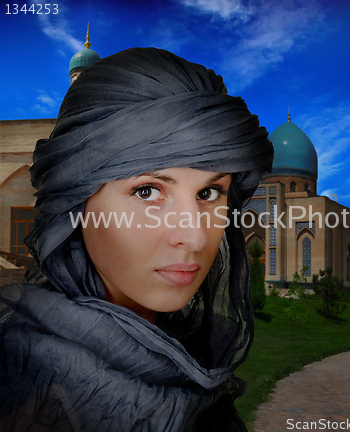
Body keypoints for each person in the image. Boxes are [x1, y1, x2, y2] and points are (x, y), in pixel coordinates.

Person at [0, 48, 274, 431]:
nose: (194, 237)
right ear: (75, 202)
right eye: (147, 192)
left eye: (209, 193)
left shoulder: (188, 356)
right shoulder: (21, 384)